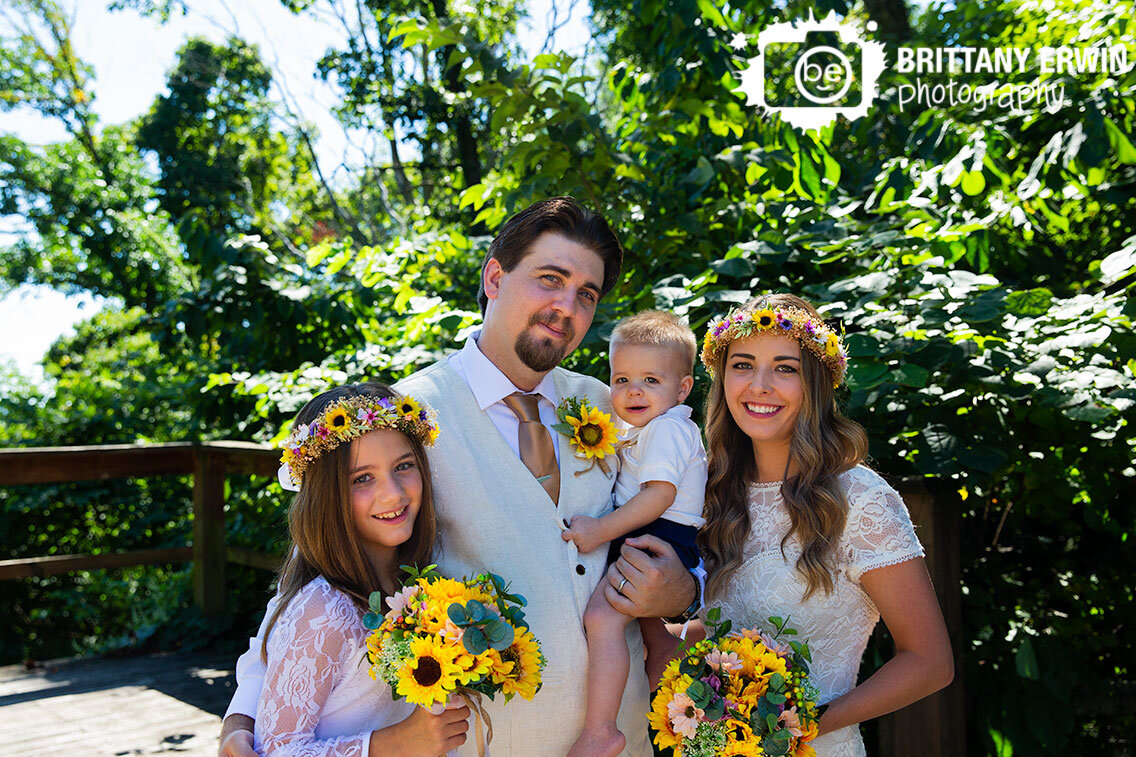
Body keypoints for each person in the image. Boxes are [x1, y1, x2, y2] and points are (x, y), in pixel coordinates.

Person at [219, 197, 701, 757]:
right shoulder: (406, 417)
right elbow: (315, 578)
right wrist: (241, 717)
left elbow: (686, 521)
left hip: (623, 744)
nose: (566, 307)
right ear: (495, 276)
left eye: (586, 295)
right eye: (550, 279)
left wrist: (683, 593)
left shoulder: (619, 410)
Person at [695, 293, 955, 757]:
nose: (759, 385)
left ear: (815, 385)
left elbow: (930, 662)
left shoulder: (861, 502)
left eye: (785, 368)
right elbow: (702, 634)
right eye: (743, 364)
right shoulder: (706, 493)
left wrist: (799, 727)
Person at [254, 382, 470, 756]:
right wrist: (393, 745)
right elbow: (273, 750)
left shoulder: (416, 584)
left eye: (404, 466)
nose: (394, 494)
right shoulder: (323, 609)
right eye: (362, 479)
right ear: (325, 495)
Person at [562, 311, 708, 757]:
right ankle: (676, 727)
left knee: (603, 620)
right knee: (657, 643)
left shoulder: (667, 430)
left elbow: (659, 495)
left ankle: (601, 731)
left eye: (650, 380)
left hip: (655, 534)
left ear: (682, 389)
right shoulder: (651, 428)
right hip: (659, 534)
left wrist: (600, 529)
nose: (633, 391)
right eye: (621, 379)